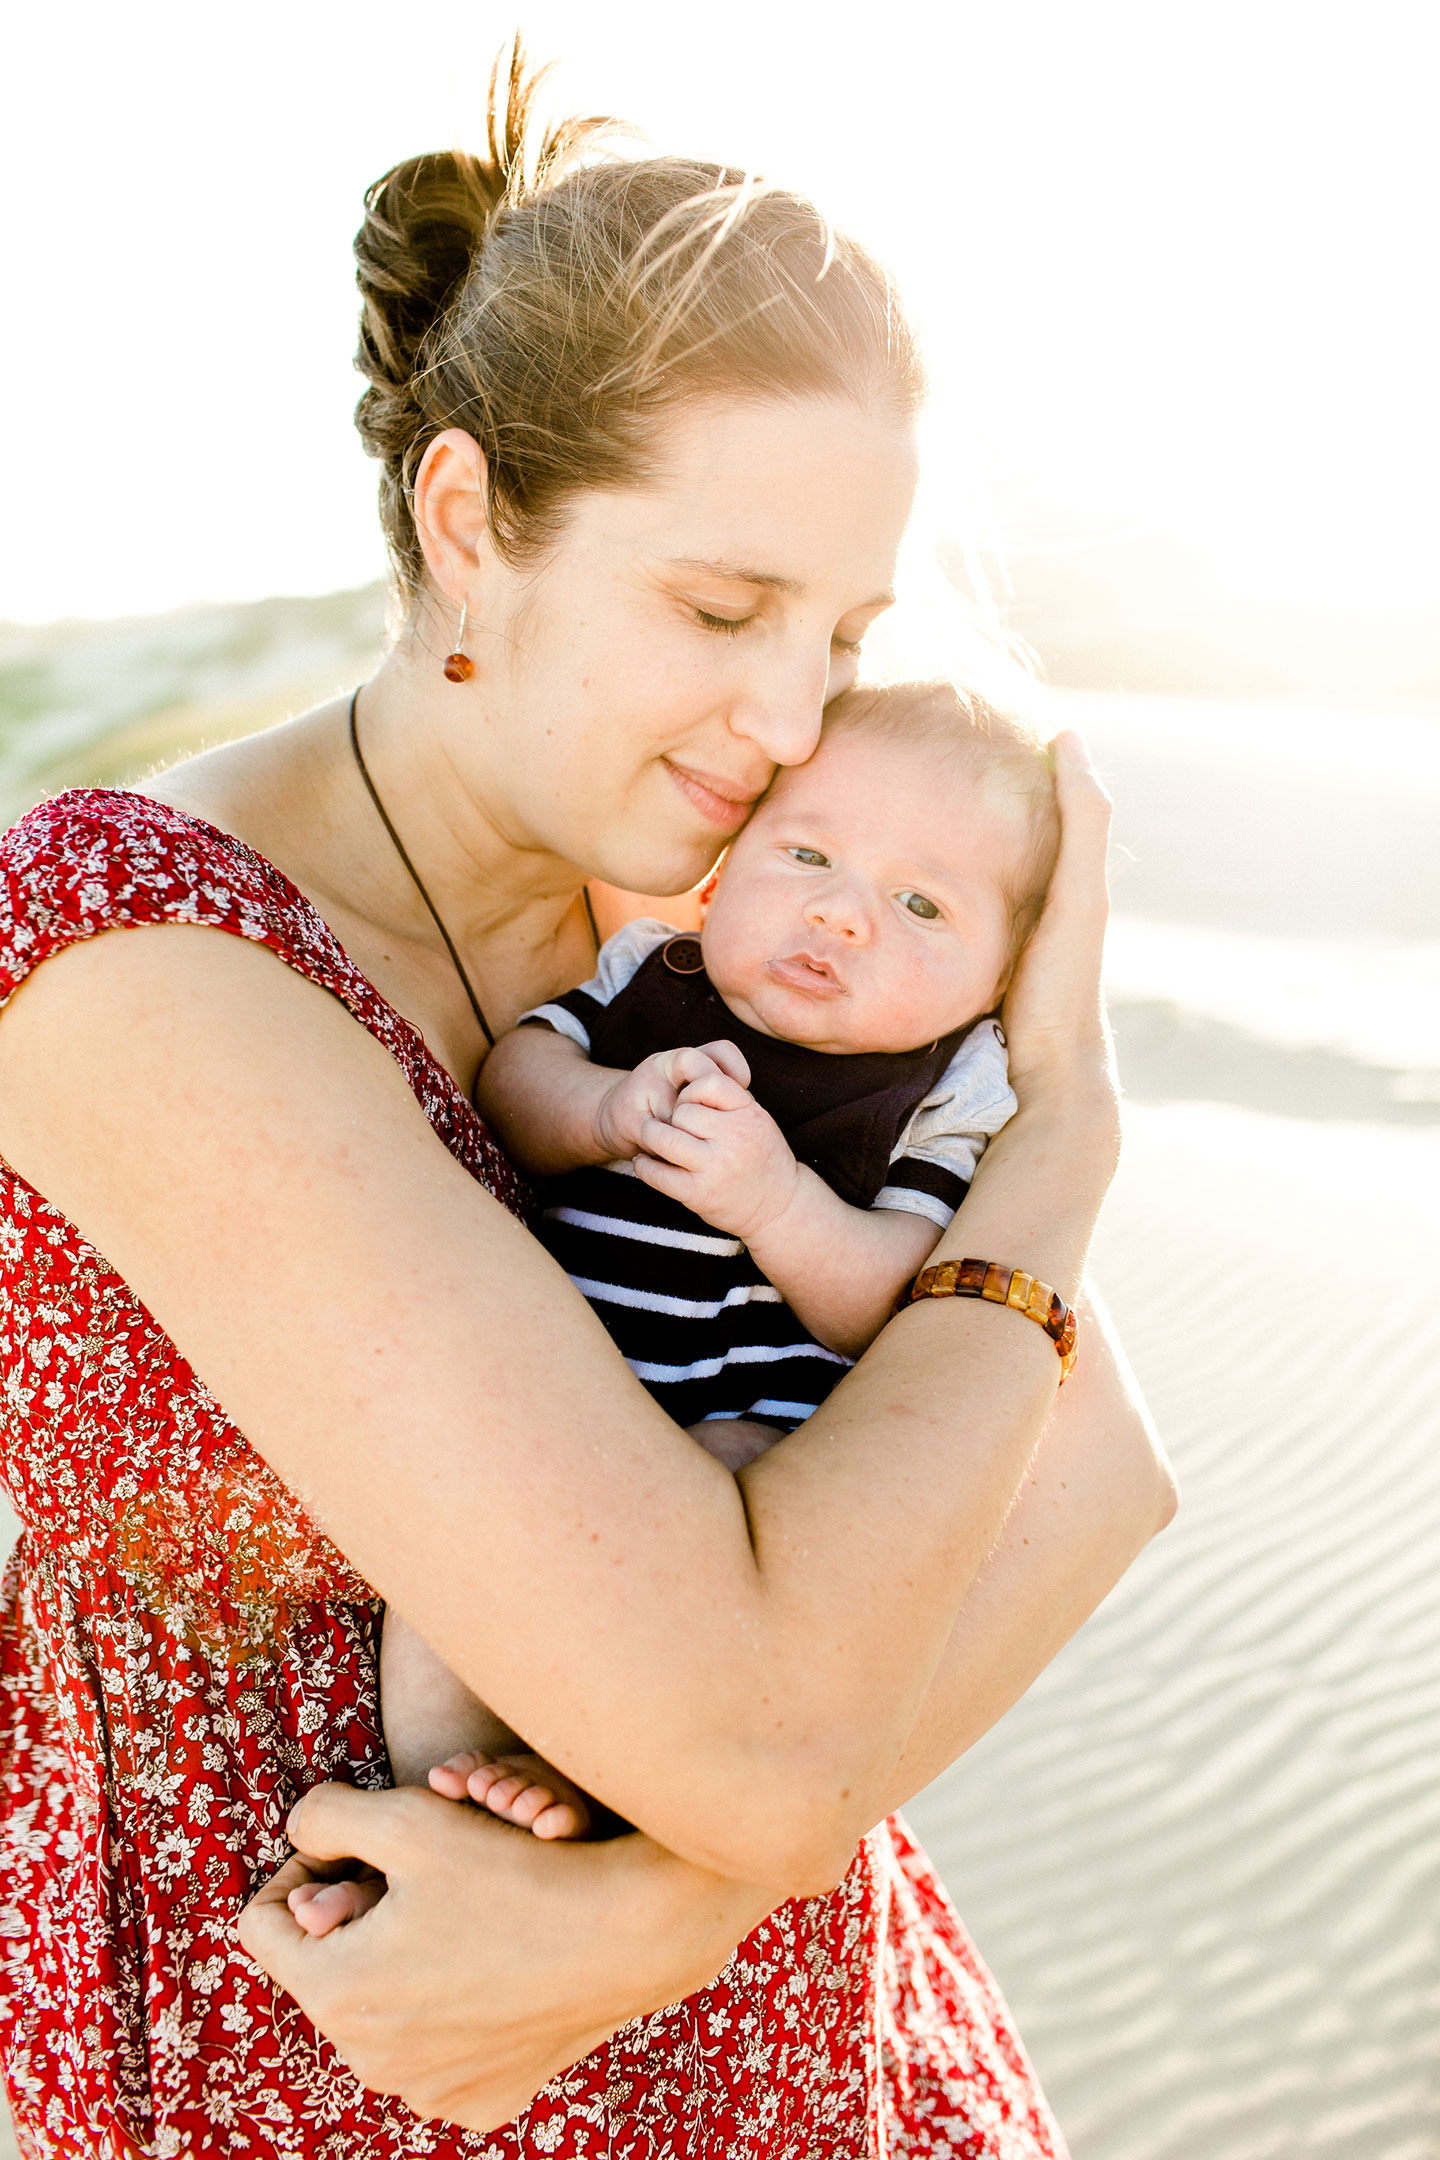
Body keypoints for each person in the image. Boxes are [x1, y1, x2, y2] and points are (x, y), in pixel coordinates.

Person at [0, 50, 1174, 2160]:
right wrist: (757, 1797)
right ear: (468, 523)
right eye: (722, 611)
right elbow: (768, 1706)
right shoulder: (135, 961)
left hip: (825, 2060)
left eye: (841, 632)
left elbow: (1090, 1484)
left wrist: (676, 1903)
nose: (794, 717)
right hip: (365, 2091)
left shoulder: (708, 910)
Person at [336, 680, 1060, 1867]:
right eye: (807, 854)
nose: (841, 917)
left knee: (732, 1527)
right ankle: (438, 1807)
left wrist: (776, 1202)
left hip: (751, 1428)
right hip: (563, 1396)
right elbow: (514, 1087)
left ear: (999, 980)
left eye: (921, 903)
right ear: (722, 874)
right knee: (443, 1575)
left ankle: (607, 1786)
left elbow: (888, 1302)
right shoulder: (649, 976)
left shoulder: (945, 1086)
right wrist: (606, 1111)